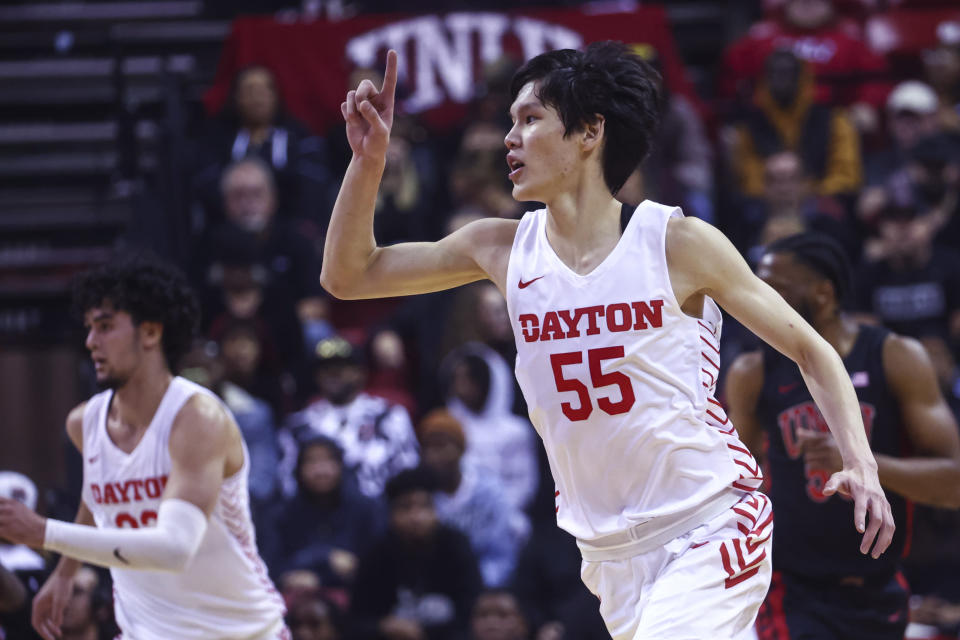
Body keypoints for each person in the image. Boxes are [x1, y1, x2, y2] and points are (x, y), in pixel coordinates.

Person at [321, 42, 894, 639]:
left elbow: (811, 348)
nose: (509, 139)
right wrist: (368, 161)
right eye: (509, 122)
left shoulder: (676, 242)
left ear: (590, 131)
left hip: (710, 522)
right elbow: (348, 276)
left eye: (530, 119)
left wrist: (862, 463)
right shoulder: (498, 247)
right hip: (608, 555)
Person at [0, 256, 287, 640]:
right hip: (145, 631)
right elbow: (97, 497)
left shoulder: (197, 419)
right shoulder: (84, 422)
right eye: (89, 329)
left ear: (150, 333)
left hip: (239, 632)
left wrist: (44, 533)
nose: (90, 342)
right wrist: (64, 573)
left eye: (104, 327)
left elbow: (173, 549)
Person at [724, 233, 960, 640]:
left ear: (823, 294)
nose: (757, 300)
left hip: (880, 585)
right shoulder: (752, 371)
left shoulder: (896, 357)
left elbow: (954, 485)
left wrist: (860, 464)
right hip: (789, 588)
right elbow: (732, 487)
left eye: (774, 289)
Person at [278, 335, 418, 499]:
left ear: (360, 373)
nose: (333, 375)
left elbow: (409, 470)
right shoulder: (298, 426)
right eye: (326, 370)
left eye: (341, 369)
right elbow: (287, 484)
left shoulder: (390, 416)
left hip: (382, 513)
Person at [349, 467, 482, 640]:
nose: (416, 517)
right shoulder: (377, 552)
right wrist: (383, 626)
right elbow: (356, 620)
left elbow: (472, 611)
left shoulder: (456, 545)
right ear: (390, 514)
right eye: (406, 507)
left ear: (436, 511)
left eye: (425, 506)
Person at [418, 409, 525, 587]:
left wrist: (472, 586)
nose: (434, 456)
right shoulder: (420, 494)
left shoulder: (490, 493)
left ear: (461, 449)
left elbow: (501, 556)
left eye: (441, 446)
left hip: (483, 584)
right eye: (428, 447)